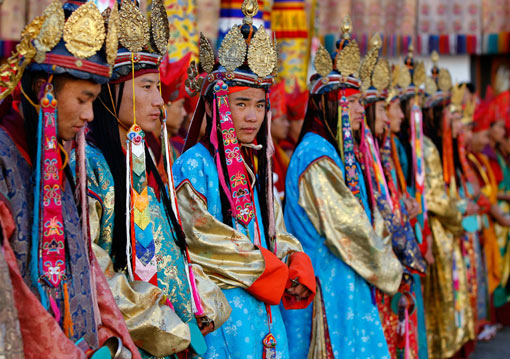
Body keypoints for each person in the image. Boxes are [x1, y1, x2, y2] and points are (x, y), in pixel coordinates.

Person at [77, 1, 230, 357]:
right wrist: (166, 322)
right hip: (126, 339)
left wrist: (198, 301)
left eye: (158, 88)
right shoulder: (91, 165)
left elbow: (167, 247)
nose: (160, 102)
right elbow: (94, 266)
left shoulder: (139, 160)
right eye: (147, 86)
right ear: (111, 91)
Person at [173, 1, 316, 357]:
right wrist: (266, 265)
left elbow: (274, 230)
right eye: (240, 104)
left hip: (267, 310)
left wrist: (294, 258)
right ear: (213, 106)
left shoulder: (258, 163)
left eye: (259, 104)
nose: (252, 116)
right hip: (226, 312)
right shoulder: (194, 164)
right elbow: (200, 235)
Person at [0, 0, 139, 357]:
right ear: (44, 92)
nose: (90, 114)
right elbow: (10, 293)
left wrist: (112, 334)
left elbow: (85, 264)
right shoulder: (5, 157)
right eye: (83, 98)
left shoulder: (55, 157)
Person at [281, 18, 402, 359]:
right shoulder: (315, 156)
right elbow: (346, 226)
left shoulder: (329, 152)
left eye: (361, 103)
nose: (361, 110)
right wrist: (390, 263)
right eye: (352, 103)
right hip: (330, 283)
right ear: (329, 106)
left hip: (346, 277)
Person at [362, 35, 426, 359]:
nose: (395, 117)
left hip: (387, 258)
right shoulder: (363, 153)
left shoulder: (383, 151)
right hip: (376, 263)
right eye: (390, 109)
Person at [269, 81, 290, 201]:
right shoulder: (259, 154)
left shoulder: (280, 152)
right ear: (269, 121)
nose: (287, 125)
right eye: (282, 120)